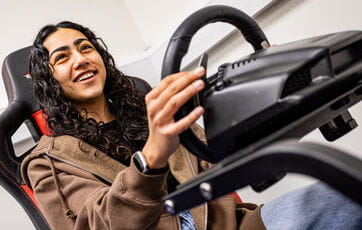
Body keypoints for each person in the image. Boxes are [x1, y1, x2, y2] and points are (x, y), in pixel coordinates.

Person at [21, 21, 362, 230]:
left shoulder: (151, 114)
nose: (80, 59)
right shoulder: (47, 163)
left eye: (85, 48)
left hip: (238, 225)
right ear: (47, 79)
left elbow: (225, 159)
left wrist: (270, 93)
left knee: (350, 192)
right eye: (62, 57)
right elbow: (102, 225)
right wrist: (150, 158)